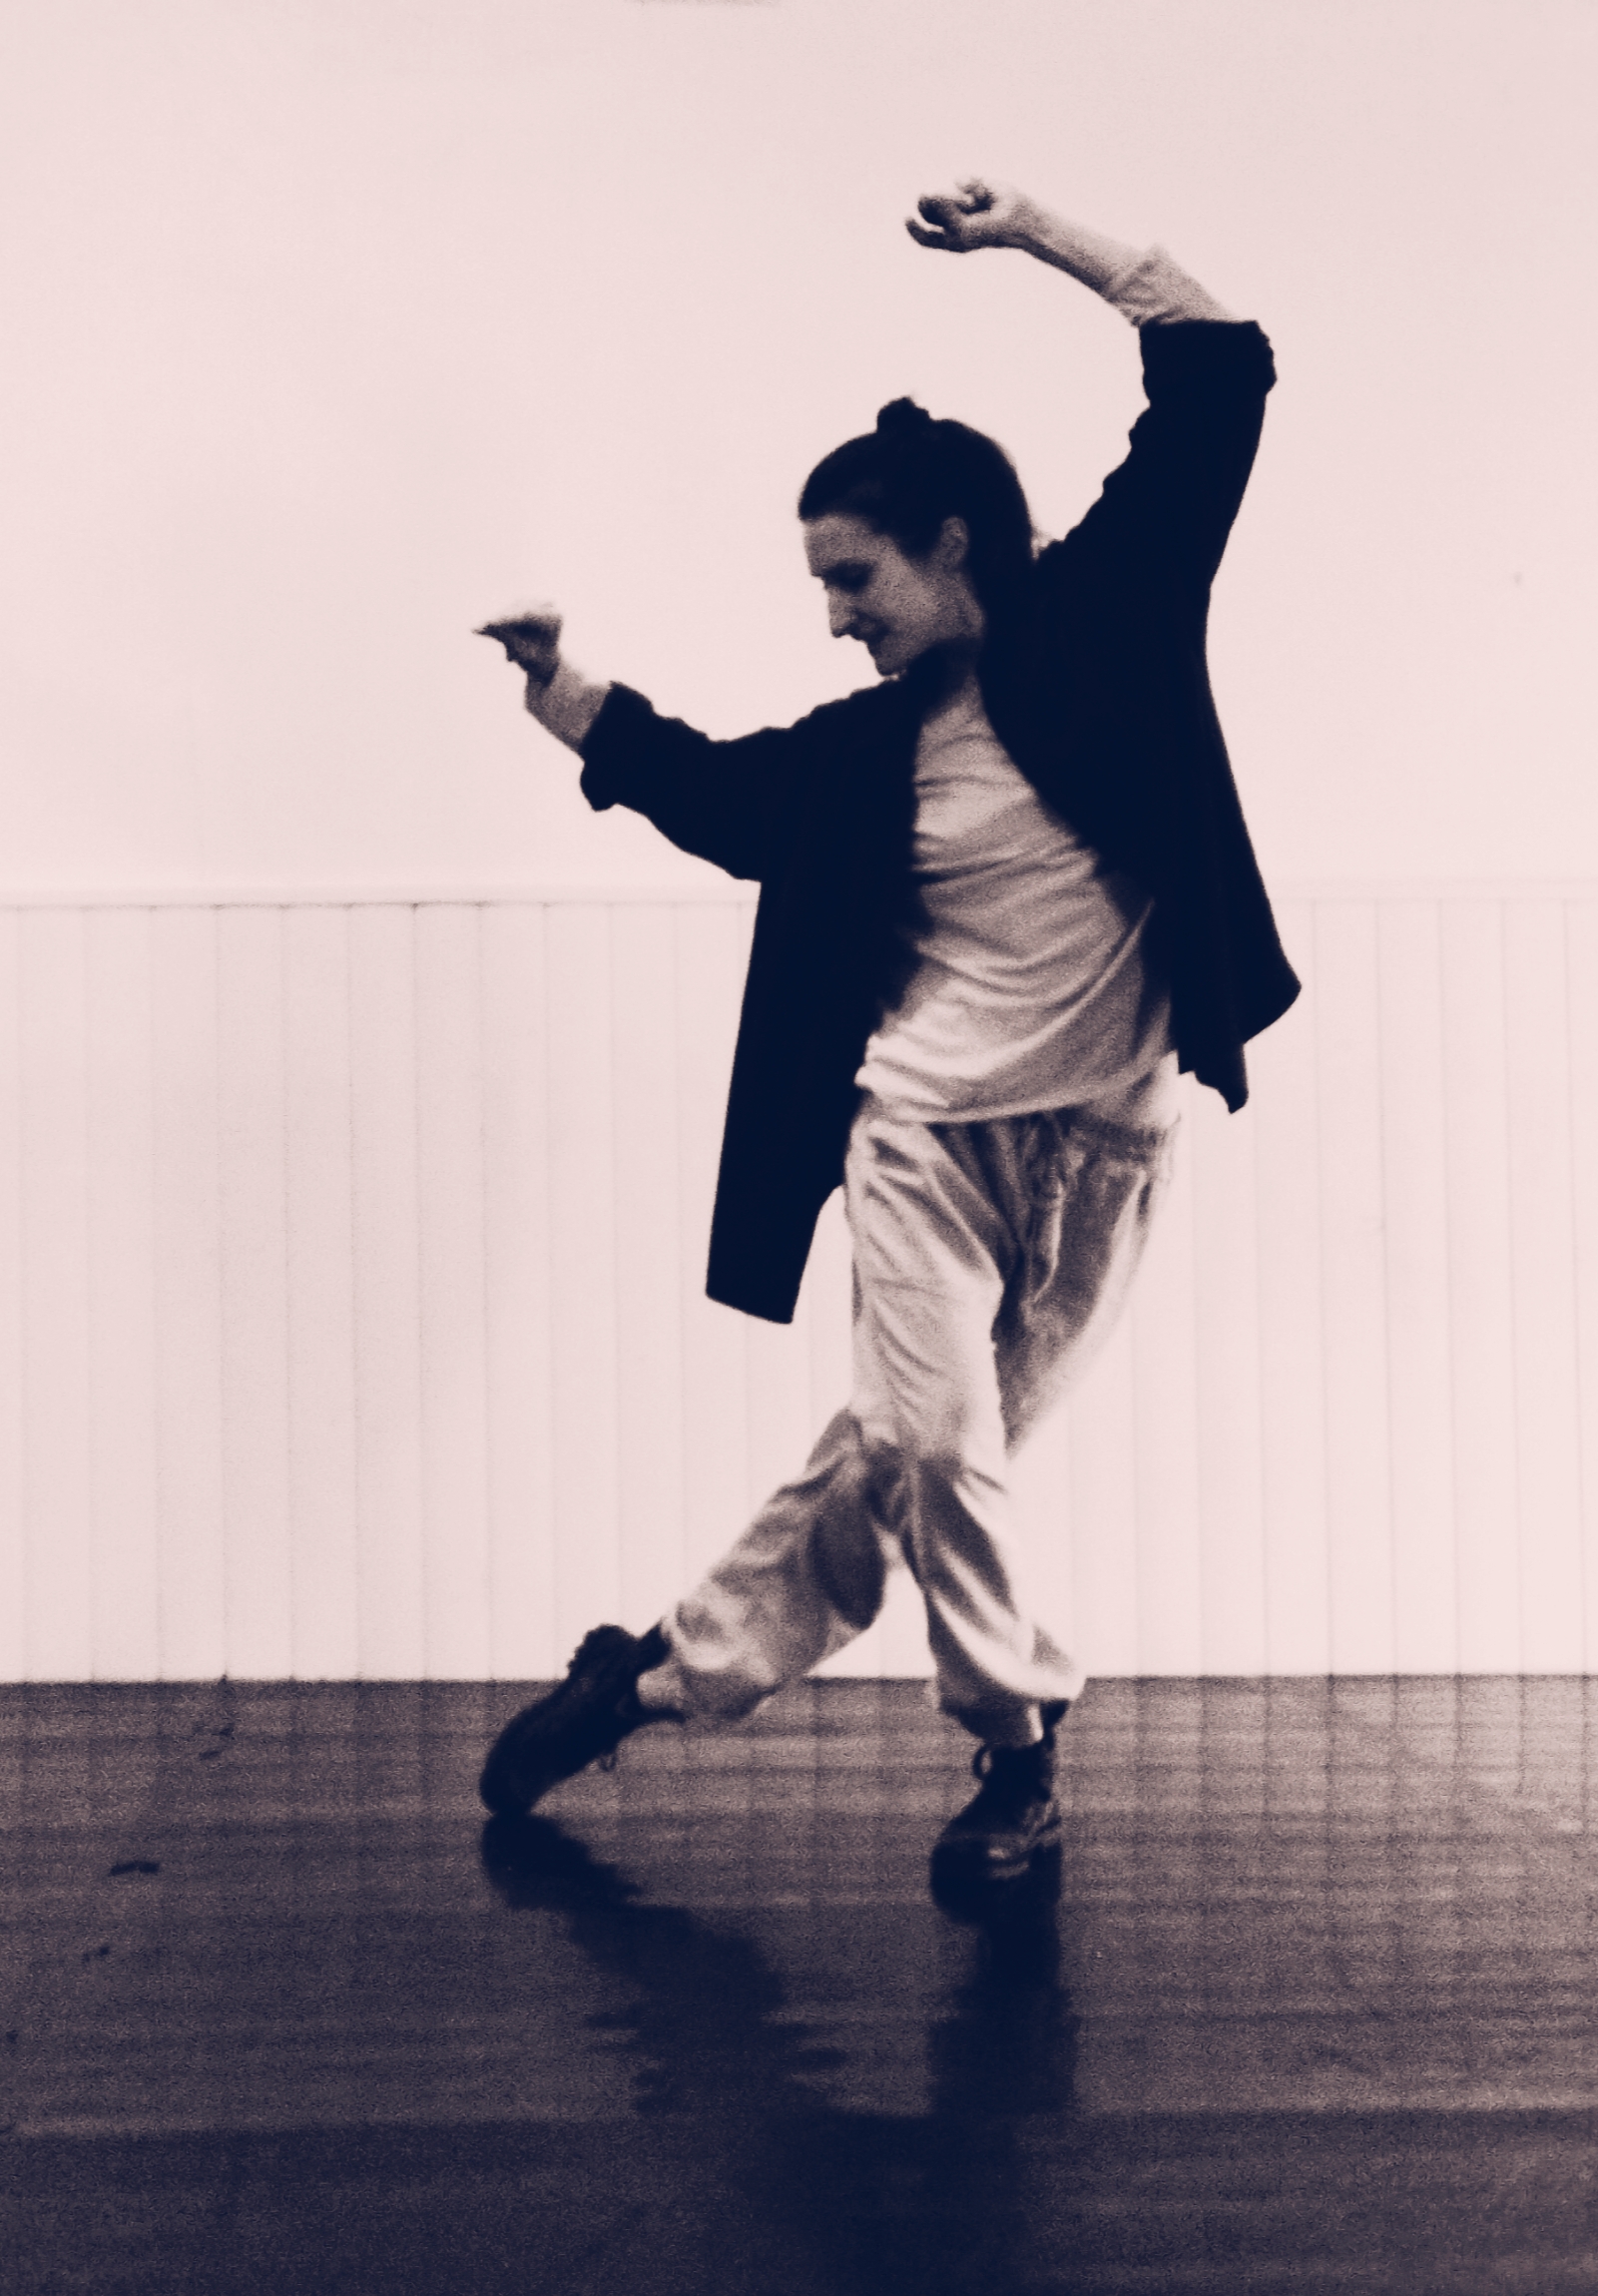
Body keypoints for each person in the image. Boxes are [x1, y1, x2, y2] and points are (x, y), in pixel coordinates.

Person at [474, 179, 1299, 1894]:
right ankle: (1015, 1756)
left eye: (852, 577)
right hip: (919, 1145)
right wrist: (561, 688)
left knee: (899, 1467)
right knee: (937, 1449)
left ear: (953, 547)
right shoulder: (865, 757)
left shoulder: (1116, 613)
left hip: (1105, 1154)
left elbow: (1218, 369)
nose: (834, 614)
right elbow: (712, 792)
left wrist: (1036, 232)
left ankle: (649, 1678)